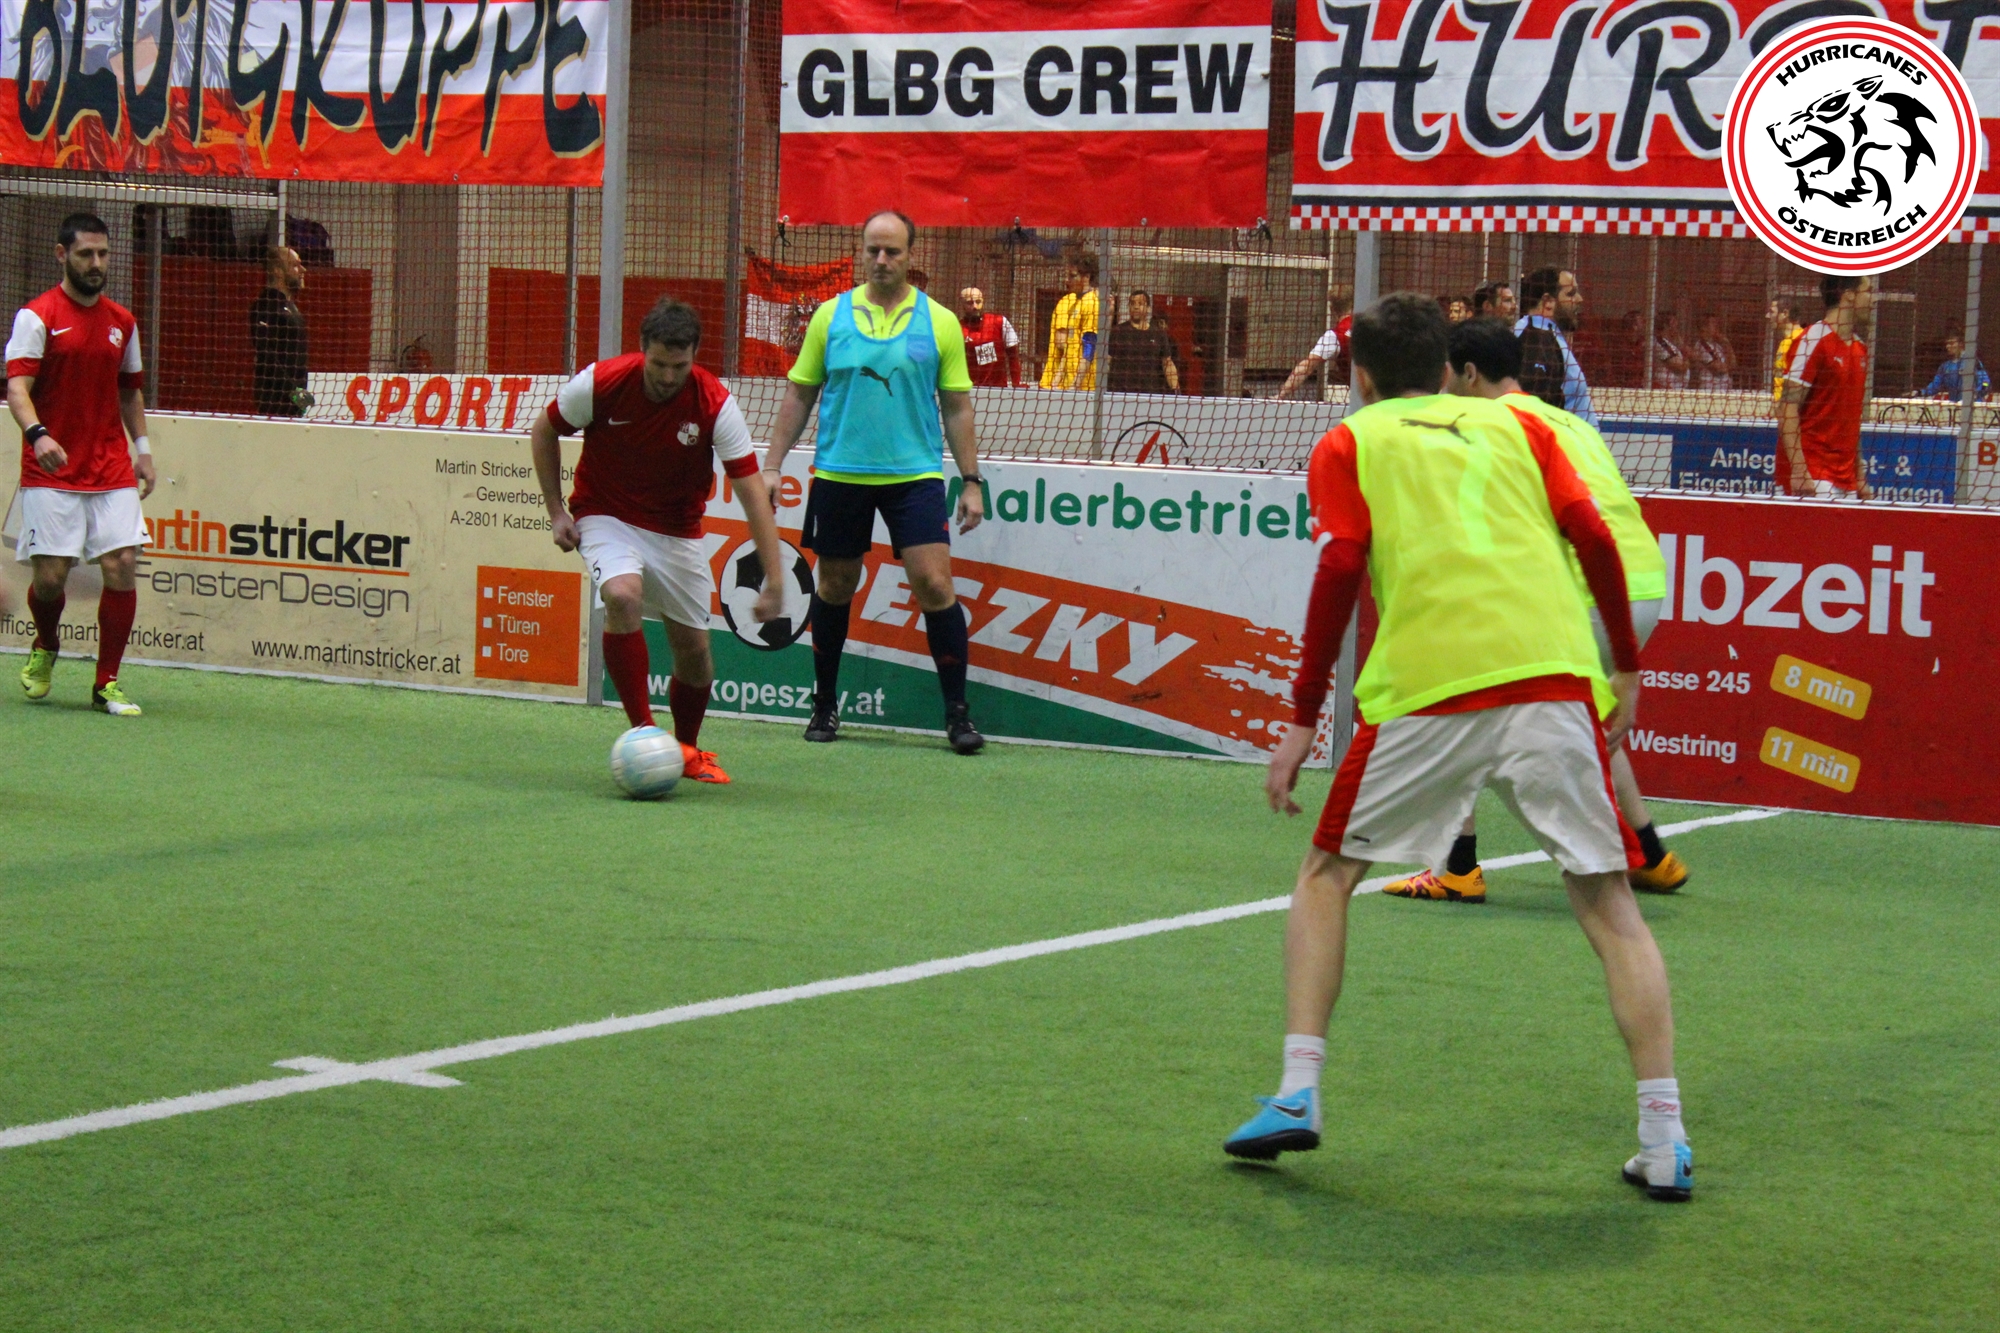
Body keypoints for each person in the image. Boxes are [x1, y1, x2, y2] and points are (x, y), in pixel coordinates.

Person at [1225, 293, 1691, 1204]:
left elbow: (1340, 564)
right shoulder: (1526, 427)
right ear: (1446, 367)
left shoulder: (1349, 441)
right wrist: (1627, 667)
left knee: (1326, 875)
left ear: (1361, 376)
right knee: (1609, 904)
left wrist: (1301, 714)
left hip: (1428, 684)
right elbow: (1593, 533)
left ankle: (1298, 1088)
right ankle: (1665, 1136)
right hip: (1552, 674)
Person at [1380, 317, 1687, 903]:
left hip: (1581, 593)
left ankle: (1455, 867)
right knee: (1589, 721)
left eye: (1446, 374)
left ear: (1469, 373)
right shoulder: (1569, 421)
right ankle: (1650, 856)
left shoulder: (1484, 426)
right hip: (1642, 587)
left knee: (1445, 698)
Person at [531, 297, 787, 784]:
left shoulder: (715, 404)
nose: (668, 377)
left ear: (694, 357)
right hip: (606, 513)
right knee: (621, 595)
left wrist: (774, 578)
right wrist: (556, 510)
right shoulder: (602, 382)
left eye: (679, 366)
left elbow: (753, 493)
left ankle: (687, 749)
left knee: (694, 653)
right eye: (659, 364)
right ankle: (645, 737)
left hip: (677, 530)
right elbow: (545, 431)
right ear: (642, 350)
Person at [762, 210, 988, 754]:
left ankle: (958, 716)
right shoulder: (829, 317)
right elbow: (799, 393)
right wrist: (771, 464)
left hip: (915, 477)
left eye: (892, 251)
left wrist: (971, 481)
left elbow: (957, 407)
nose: (882, 260)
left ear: (911, 255)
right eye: (873, 250)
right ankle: (824, 704)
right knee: (836, 587)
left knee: (934, 585)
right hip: (840, 474)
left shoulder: (939, 321)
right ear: (862, 252)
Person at [8, 212, 154, 717]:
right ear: (62, 255)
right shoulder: (37, 316)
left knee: (122, 564)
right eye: (85, 254)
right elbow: (17, 390)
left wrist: (143, 450)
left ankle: (106, 683)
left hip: (110, 466)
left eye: (103, 254)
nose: (96, 263)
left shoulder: (123, 322)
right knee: (51, 579)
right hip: (51, 469)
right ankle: (46, 642)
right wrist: (38, 434)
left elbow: (130, 392)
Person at [1779, 276, 1873, 500]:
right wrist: (1799, 471)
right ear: (1849, 295)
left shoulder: (1860, 349)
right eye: (1868, 291)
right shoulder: (1813, 340)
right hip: (1814, 475)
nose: (1873, 299)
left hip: (1847, 479)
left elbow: (1851, 420)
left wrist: (1860, 477)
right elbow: (1787, 408)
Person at [1514, 266, 1595, 423]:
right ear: (1548, 302)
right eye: (1571, 294)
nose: (1580, 299)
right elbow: (1533, 412)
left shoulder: (1547, 334)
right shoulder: (1536, 340)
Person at [250, 245, 310, 416]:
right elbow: (267, 357)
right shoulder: (266, 306)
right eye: (295, 265)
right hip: (275, 403)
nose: (302, 270)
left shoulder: (290, 306)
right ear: (277, 271)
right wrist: (294, 392)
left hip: (292, 403)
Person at [1040, 254, 1101, 391]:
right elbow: (1068, 348)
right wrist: (1056, 380)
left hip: (1085, 387)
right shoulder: (1076, 303)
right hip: (1070, 385)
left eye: (1073, 276)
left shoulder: (1091, 303)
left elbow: (1089, 347)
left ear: (1086, 277)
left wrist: (1075, 384)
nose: (1067, 281)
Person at [1106, 290, 1179, 394]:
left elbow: (1167, 363)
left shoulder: (1158, 334)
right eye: (1132, 303)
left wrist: (1176, 390)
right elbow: (1107, 361)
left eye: (1140, 304)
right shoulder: (1118, 331)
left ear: (1148, 308)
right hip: (1120, 394)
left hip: (1149, 395)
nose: (1136, 307)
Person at [958, 287, 1022, 389]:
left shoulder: (1000, 322)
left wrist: (1016, 384)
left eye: (978, 302)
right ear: (962, 304)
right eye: (969, 303)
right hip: (970, 389)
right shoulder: (958, 328)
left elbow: (1013, 356)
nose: (975, 306)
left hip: (998, 390)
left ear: (983, 301)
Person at [1277, 315, 1348, 399]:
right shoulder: (1361, 324)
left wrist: (1282, 395)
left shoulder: (1334, 335)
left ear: (1332, 310)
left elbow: (1306, 367)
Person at [1921, 333, 1990, 401]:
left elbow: (1986, 382)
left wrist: (1977, 395)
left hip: (1973, 404)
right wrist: (1921, 392)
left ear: (1960, 344)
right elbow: (1935, 385)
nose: (1948, 346)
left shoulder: (1972, 362)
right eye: (1947, 344)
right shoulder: (1945, 366)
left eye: (1951, 343)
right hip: (1955, 405)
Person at [1690, 313, 1736, 391]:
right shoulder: (1702, 345)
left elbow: (1733, 364)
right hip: (1710, 390)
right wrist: (1728, 366)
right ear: (1704, 328)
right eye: (1713, 323)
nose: (1717, 326)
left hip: (1723, 389)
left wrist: (1726, 343)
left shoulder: (1718, 346)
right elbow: (1719, 369)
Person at [1770, 303, 1805, 406]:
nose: (1768, 316)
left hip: (1791, 409)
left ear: (1785, 313)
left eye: (1772, 312)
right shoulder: (1785, 342)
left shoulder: (1801, 341)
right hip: (1781, 407)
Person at [1649, 310, 1690, 390]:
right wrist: (1686, 356)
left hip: (1676, 389)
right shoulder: (1660, 343)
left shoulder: (1670, 343)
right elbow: (1680, 368)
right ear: (1665, 325)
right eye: (1673, 322)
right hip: (1666, 389)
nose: (1676, 325)